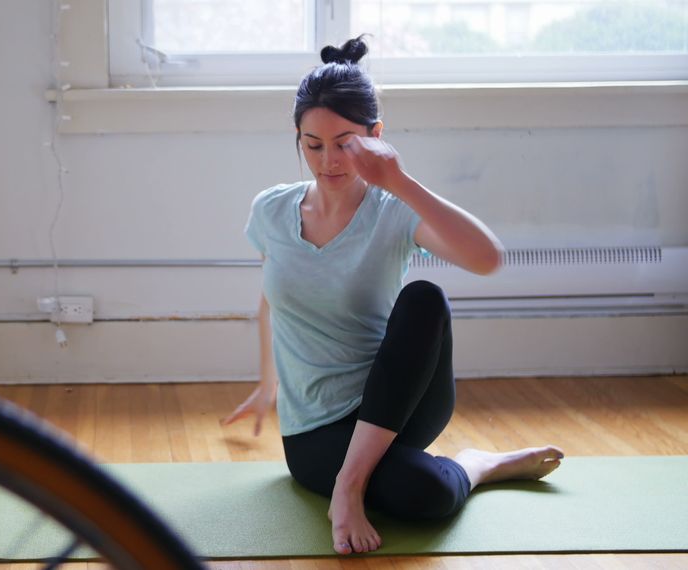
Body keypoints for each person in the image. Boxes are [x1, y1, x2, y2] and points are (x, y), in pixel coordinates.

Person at [221, 36, 565, 556]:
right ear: (297, 138)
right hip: (314, 430)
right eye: (313, 144)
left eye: (345, 143)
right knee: (426, 495)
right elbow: (272, 298)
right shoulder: (271, 210)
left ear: (376, 136)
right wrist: (268, 384)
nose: (328, 160)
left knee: (425, 296)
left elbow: (487, 258)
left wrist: (399, 179)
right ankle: (480, 464)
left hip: (399, 400)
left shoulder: (392, 210)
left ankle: (349, 486)